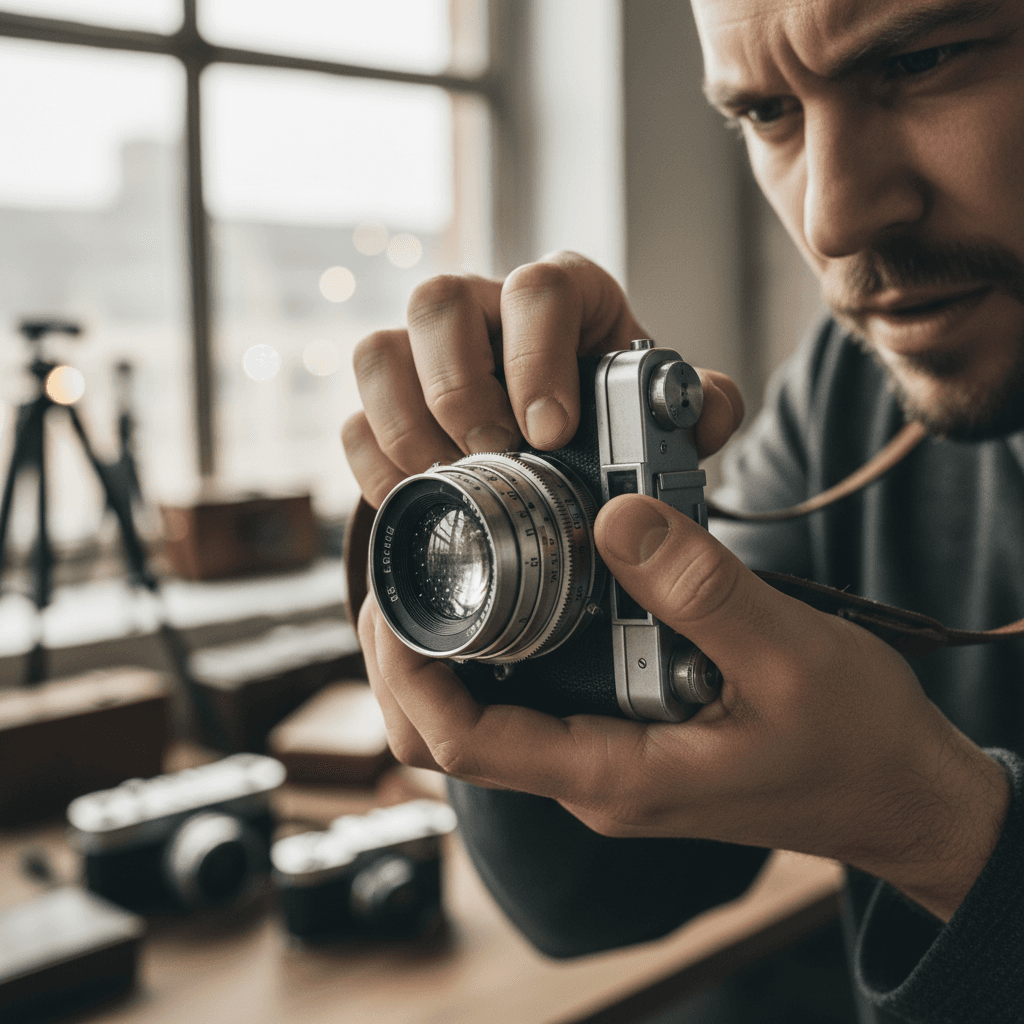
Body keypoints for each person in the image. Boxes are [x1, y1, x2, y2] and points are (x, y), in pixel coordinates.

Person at [342, 0, 1024, 1020]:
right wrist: (536, 545)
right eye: (766, 113)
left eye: (923, 60)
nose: (831, 217)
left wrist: (933, 824)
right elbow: (601, 898)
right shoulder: (857, 385)